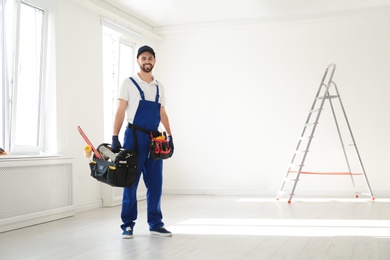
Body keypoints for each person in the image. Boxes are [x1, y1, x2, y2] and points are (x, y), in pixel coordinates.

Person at [111, 45, 174, 239]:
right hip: (134, 138)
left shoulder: (159, 86)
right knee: (130, 182)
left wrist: (170, 136)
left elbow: (162, 112)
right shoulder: (128, 83)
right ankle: (127, 225)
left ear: (154, 61)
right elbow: (121, 110)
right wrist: (114, 136)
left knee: (155, 184)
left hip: (155, 139)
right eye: (143, 58)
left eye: (150, 58)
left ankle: (155, 224)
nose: (147, 61)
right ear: (138, 61)